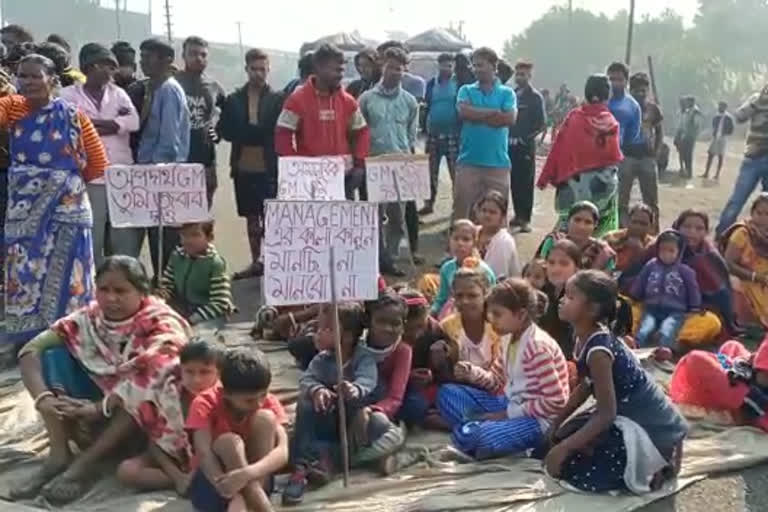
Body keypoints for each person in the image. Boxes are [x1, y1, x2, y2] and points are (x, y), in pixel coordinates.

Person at [13, 256, 193, 503]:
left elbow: (156, 372)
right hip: (96, 404)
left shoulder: (160, 323)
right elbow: (30, 351)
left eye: (121, 291)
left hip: (142, 422)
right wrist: (42, 398)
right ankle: (59, 455)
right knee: (52, 355)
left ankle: (85, 465)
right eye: (104, 290)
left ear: (142, 292)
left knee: (145, 388)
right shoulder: (89, 318)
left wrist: (100, 407)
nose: (110, 298)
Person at [546, 270, 688, 493]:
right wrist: (556, 423)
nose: (562, 300)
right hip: (622, 412)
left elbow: (606, 414)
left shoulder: (598, 351)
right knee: (559, 438)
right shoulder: (582, 336)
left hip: (648, 426)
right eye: (565, 294)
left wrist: (564, 449)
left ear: (591, 309)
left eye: (571, 297)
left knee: (573, 468)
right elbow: (585, 386)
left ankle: (658, 466)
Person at [3, 54, 109, 345]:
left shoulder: (73, 116)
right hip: (23, 216)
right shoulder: (13, 110)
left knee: (68, 279)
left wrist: (57, 186)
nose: (27, 82)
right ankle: (27, 342)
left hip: (67, 212)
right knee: (24, 274)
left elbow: (98, 163)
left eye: (35, 75)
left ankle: (69, 340)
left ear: (52, 79)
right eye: (22, 76)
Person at [445, 279, 568, 460]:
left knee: (484, 437)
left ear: (521, 315)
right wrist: (472, 372)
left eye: (497, 314)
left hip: (537, 419)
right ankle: (474, 430)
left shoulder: (537, 347)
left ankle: (473, 431)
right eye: (491, 314)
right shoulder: (507, 338)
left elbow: (557, 401)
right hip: (510, 403)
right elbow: (495, 382)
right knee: (447, 393)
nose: (492, 320)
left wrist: (506, 415)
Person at [283, 302, 377, 505]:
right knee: (306, 403)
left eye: (327, 329)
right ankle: (302, 468)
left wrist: (354, 389)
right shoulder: (322, 359)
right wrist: (317, 390)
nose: (318, 334)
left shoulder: (363, 358)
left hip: (349, 423)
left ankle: (326, 462)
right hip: (325, 419)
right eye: (319, 328)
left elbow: (368, 380)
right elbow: (307, 379)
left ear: (348, 336)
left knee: (363, 416)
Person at [60, 43, 140, 268]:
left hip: (120, 171)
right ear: (89, 67)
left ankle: (127, 276)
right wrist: (113, 124)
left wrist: (94, 124)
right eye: (105, 65)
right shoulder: (68, 95)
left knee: (123, 229)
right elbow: (70, 126)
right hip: (89, 174)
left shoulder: (119, 94)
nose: (110, 71)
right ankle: (92, 280)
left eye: (112, 66)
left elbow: (133, 122)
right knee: (92, 227)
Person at [186, 347, 289, 512]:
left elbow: (283, 451)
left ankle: (252, 501)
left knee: (266, 418)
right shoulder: (204, 403)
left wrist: (247, 474)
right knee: (229, 443)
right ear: (226, 394)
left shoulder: (266, 401)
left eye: (262, 395)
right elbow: (204, 454)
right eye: (249, 401)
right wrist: (229, 490)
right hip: (214, 483)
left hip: (256, 479)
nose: (258, 403)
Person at [117, 339, 221, 494]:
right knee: (127, 471)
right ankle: (185, 483)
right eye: (189, 372)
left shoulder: (223, 397)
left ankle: (197, 481)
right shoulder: (168, 394)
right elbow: (155, 441)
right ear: (181, 370)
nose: (196, 379)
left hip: (210, 459)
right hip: (174, 456)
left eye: (205, 372)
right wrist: (177, 476)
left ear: (218, 373)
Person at [123, 38, 190, 279]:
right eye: (142, 56)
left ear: (166, 60)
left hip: (160, 174)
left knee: (164, 238)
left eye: (148, 56)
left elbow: (169, 139)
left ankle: (167, 287)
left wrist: (158, 173)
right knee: (155, 234)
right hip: (148, 171)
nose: (142, 61)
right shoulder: (154, 88)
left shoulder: (169, 90)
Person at [275, 43, 370, 203]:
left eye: (342, 70)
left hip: (343, 179)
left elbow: (362, 133)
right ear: (318, 68)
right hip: (308, 181)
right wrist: (294, 164)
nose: (341, 75)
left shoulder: (348, 102)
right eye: (336, 70)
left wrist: (359, 164)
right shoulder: (296, 100)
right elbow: (283, 133)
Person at [218, 48, 283, 281]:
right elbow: (225, 130)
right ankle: (256, 262)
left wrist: (251, 133)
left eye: (262, 69)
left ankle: (274, 261)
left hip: (270, 168)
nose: (258, 74)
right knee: (252, 219)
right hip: (244, 167)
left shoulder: (278, 99)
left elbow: (278, 132)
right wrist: (251, 133)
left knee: (273, 219)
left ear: (268, 70)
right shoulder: (234, 99)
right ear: (246, 69)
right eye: (253, 69)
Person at [621, 209, 732, 345]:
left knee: (711, 322)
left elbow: (718, 299)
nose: (692, 232)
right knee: (624, 305)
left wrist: (694, 309)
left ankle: (665, 339)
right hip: (649, 307)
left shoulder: (709, 256)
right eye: (687, 227)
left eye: (699, 228)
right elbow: (634, 281)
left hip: (682, 315)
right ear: (677, 227)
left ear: (706, 232)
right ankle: (646, 336)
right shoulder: (657, 248)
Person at [359, 47, 421, 275]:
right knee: (373, 215)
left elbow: (411, 135)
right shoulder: (366, 99)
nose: (395, 72)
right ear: (382, 66)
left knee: (397, 216)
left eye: (400, 69)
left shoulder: (410, 102)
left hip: (400, 165)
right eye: (391, 67)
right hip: (374, 165)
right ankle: (374, 259)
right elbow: (359, 133)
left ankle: (392, 258)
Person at [537, 75, 622, 237]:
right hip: (603, 189)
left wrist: (546, 177)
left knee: (566, 229)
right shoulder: (611, 122)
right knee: (601, 232)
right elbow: (614, 157)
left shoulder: (574, 118)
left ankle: (555, 257)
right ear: (607, 95)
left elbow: (558, 148)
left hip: (572, 187)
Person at [436, 265, 508, 427]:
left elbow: (501, 378)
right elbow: (447, 373)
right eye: (459, 296)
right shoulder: (447, 326)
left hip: (495, 391)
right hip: (466, 390)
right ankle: (481, 420)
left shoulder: (498, 327)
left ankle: (463, 422)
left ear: (485, 295)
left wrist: (473, 374)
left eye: (472, 295)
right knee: (444, 392)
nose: (465, 301)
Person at [453, 47, 517, 221]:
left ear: (494, 66)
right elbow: (464, 113)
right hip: (468, 162)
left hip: (497, 164)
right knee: (463, 212)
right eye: (474, 65)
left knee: (497, 215)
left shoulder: (507, 93)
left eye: (480, 65)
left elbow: (509, 119)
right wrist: (493, 112)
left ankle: (495, 248)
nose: (476, 69)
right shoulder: (465, 90)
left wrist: (477, 114)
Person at [670, 338, 768, 432]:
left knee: (695, 358)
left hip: (750, 398)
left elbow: (762, 377)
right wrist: (753, 359)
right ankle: (728, 375)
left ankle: (745, 405)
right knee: (731, 345)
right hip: (749, 377)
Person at [630, 230, 702, 351]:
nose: (666, 254)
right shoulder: (651, 265)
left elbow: (693, 289)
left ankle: (664, 353)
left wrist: (694, 307)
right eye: (662, 250)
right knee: (644, 328)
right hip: (651, 308)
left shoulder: (685, 271)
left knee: (667, 329)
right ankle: (635, 348)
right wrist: (635, 295)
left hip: (675, 311)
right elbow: (641, 280)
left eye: (671, 251)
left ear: (679, 252)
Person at [175, 36, 226, 207]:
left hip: (206, 160)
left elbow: (228, 114)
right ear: (183, 55)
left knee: (202, 215)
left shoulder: (214, 87)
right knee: (177, 217)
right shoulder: (173, 83)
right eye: (193, 54)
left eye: (203, 55)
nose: (199, 58)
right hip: (178, 160)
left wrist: (218, 132)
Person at [157, 222, 235, 330]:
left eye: (195, 235)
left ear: (209, 237)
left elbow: (220, 303)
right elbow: (167, 285)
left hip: (208, 314)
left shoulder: (215, 263)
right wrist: (160, 297)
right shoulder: (176, 257)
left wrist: (192, 320)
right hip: (183, 311)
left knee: (197, 337)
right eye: (184, 235)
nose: (188, 240)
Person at [715, 86, 768, 236]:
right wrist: (758, 102)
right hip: (753, 158)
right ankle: (721, 238)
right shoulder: (756, 98)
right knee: (736, 200)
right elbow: (739, 117)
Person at [395, 287, 450, 429]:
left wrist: (437, 367)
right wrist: (407, 377)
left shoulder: (435, 331)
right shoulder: (389, 334)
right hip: (396, 389)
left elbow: (446, 375)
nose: (415, 334)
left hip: (427, 388)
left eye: (420, 326)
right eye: (408, 328)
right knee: (416, 405)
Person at [619, 72, 663, 231]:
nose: (640, 93)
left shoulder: (653, 109)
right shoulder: (623, 107)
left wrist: (656, 152)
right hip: (626, 158)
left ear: (648, 90)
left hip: (647, 158)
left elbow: (659, 131)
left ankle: (653, 232)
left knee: (651, 200)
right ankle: (621, 231)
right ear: (630, 90)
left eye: (643, 90)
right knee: (621, 200)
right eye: (637, 90)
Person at [719, 194, 768, 328]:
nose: (763, 218)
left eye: (767, 214)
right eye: (759, 213)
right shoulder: (742, 232)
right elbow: (728, 264)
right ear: (752, 212)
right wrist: (755, 277)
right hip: (744, 279)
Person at [431, 220, 496, 318]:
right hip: (453, 314)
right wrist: (431, 313)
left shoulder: (483, 270)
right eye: (455, 238)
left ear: (474, 242)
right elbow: (442, 299)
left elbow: (491, 301)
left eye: (466, 239)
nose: (460, 243)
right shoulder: (447, 268)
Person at [508, 59, 545, 233]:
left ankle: (525, 218)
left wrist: (524, 138)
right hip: (509, 144)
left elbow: (540, 124)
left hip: (525, 147)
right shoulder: (512, 94)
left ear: (530, 76)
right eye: (518, 74)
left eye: (523, 74)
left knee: (525, 182)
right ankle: (517, 214)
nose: (519, 77)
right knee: (514, 181)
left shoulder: (535, 97)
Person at [421, 52, 459, 216]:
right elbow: (426, 106)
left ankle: (457, 207)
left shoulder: (459, 84)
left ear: (454, 67)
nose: (446, 68)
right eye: (443, 65)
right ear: (438, 66)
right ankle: (428, 204)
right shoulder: (431, 84)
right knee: (430, 173)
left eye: (449, 65)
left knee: (456, 174)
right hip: (433, 135)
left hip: (453, 136)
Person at [536, 201, 616, 272]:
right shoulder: (553, 242)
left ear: (595, 226)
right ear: (568, 221)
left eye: (588, 222)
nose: (581, 226)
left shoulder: (603, 252)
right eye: (577, 220)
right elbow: (539, 272)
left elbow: (605, 284)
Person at [539, 239, 582, 359]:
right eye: (551, 263)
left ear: (577, 268)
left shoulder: (580, 298)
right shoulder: (542, 291)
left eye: (564, 264)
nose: (556, 269)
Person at [477, 190, 521, 280]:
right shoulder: (473, 232)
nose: (487, 215)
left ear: (503, 217)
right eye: (484, 210)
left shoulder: (504, 241)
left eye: (492, 212)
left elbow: (496, 277)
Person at [603, 203, 656, 272]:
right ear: (627, 222)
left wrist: (640, 251)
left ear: (651, 226)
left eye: (643, 224)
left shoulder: (653, 246)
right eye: (634, 222)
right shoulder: (612, 237)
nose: (638, 227)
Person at [703, 101, 734, 180]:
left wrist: (724, 133)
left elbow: (731, 130)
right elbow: (713, 126)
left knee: (720, 156)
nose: (719, 108)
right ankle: (706, 172)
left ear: (725, 108)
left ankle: (717, 174)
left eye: (721, 106)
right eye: (719, 106)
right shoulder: (716, 117)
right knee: (710, 154)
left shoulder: (728, 117)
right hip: (715, 137)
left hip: (723, 138)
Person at [675, 95, 702, 179]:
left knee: (688, 155)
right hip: (684, 135)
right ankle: (686, 171)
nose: (686, 103)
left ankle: (689, 172)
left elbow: (696, 125)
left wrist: (692, 134)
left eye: (687, 102)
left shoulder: (695, 112)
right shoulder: (688, 111)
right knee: (684, 153)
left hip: (689, 136)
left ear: (691, 102)